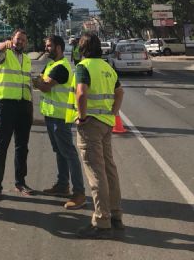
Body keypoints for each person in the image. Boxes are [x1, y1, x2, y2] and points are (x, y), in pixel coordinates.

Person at [74, 33, 124, 238]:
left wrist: (83, 117)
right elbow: (120, 92)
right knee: (109, 168)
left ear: (82, 49)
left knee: (96, 173)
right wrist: (112, 113)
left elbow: (81, 93)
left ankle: (102, 221)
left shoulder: (83, 67)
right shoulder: (107, 67)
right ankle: (115, 215)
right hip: (106, 124)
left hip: (91, 125)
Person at [33, 35, 86, 209]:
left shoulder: (61, 67)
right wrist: (39, 81)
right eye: (46, 45)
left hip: (60, 117)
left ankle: (79, 193)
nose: (46, 48)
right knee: (60, 151)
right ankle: (62, 185)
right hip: (51, 115)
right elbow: (42, 81)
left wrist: (34, 80)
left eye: (49, 46)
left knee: (69, 153)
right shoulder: (50, 65)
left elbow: (45, 86)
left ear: (58, 48)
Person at [0, 29, 34, 201]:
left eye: (23, 40)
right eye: (18, 39)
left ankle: (20, 182)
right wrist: (2, 45)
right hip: (6, 105)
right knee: (1, 146)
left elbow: (28, 83)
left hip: (24, 105)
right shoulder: (4, 55)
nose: (20, 42)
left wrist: (30, 103)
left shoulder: (28, 60)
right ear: (11, 40)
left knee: (22, 146)